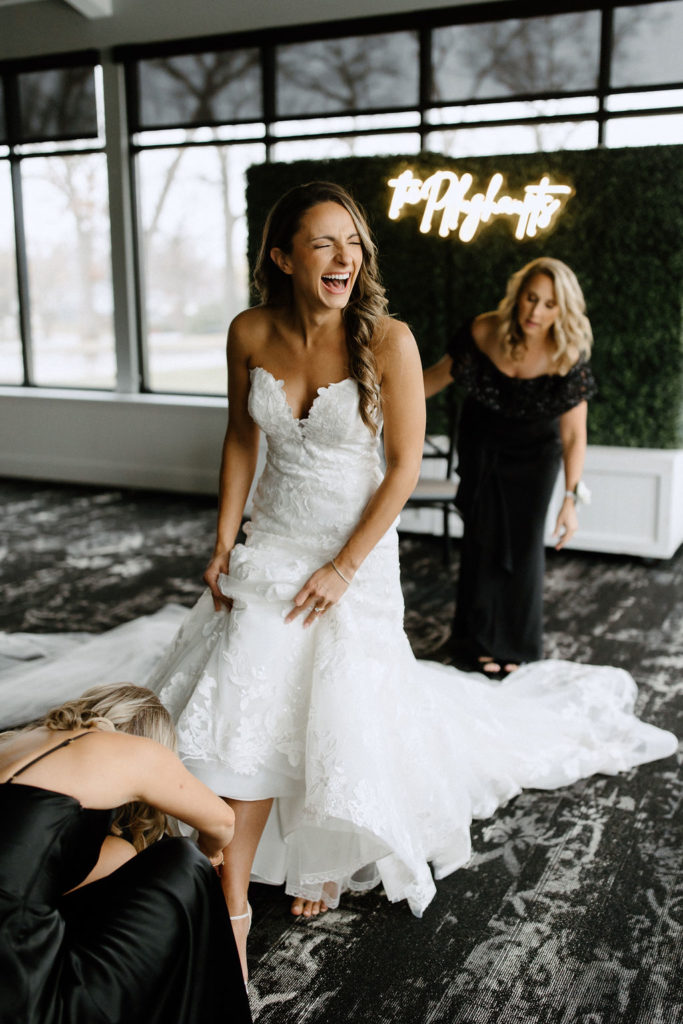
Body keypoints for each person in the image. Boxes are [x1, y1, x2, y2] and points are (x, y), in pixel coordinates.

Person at [0, 185, 676, 985]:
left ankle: (276, 877)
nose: (344, 258)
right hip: (273, 540)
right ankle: (233, 884)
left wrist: (343, 567)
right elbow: (241, 438)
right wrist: (222, 541)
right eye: (322, 244)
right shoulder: (248, 331)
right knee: (252, 687)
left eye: (352, 243)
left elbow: (398, 471)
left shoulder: (387, 339)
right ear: (283, 258)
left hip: (354, 552)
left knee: (327, 701)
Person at [0, 683, 252, 1023]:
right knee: (183, 859)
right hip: (22, 997)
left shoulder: (14, 746)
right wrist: (211, 857)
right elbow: (222, 821)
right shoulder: (130, 751)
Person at [423, 258, 596, 678]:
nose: (536, 312)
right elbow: (433, 380)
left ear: (563, 310)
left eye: (549, 305)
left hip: (536, 460)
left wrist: (571, 499)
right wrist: (375, 399)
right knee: (481, 543)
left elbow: (573, 435)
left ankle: (515, 645)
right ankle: (476, 639)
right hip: (483, 450)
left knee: (522, 548)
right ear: (518, 295)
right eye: (531, 298)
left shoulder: (566, 352)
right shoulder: (484, 330)